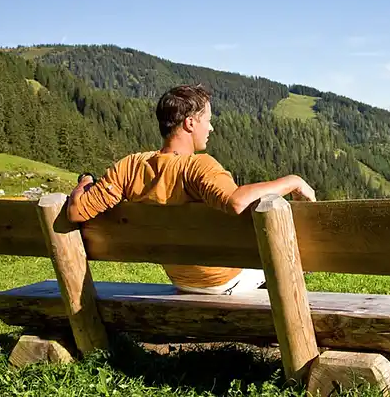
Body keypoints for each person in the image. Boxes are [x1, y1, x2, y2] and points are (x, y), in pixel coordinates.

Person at [66, 84, 316, 295]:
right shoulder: (196, 167)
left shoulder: (130, 166)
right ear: (189, 123)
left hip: (182, 281)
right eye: (207, 121)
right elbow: (235, 202)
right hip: (223, 282)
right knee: (294, 255)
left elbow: (76, 211)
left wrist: (85, 181)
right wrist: (293, 181)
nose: (211, 128)